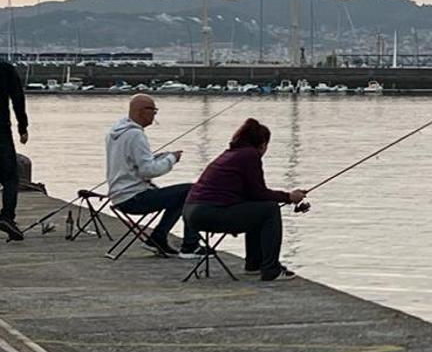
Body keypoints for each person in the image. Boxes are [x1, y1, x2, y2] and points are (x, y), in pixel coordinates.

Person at [183, 118, 307, 281]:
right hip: (209, 213)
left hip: (192, 213)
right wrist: (289, 197)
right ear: (263, 144)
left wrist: (285, 197)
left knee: (259, 208)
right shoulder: (250, 155)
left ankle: (254, 264)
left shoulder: (232, 154)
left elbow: (252, 195)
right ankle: (271, 269)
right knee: (270, 209)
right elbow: (259, 193)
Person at [106, 94, 203, 257]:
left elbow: (134, 164)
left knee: (181, 196)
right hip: (135, 198)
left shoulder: (115, 133)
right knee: (192, 190)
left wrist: (157, 158)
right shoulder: (136, 135)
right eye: (153, 110)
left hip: (119, 196)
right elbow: (148, 171)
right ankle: (191, 244)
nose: (155, 115)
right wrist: (172, 159)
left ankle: (158, 238)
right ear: (141, 111)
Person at [0, 59, 29, 242]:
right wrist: (23, 127)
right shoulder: (5, 69)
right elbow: (18, 98)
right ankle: (7, 217)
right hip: (1, 129)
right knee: (10, 177)